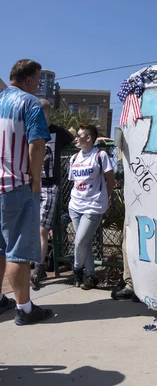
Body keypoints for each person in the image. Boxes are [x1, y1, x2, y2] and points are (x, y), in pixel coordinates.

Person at [0, 59, 53, 325]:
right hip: (17, 184)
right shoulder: (30, 103)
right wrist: (34, 180)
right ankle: (25, 309)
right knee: (18, 252)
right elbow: (37, 144)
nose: (39, 83)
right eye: (39, 78)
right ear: (30, 79)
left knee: (0, 249)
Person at [30, 99, 75, 290]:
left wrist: (96, 140)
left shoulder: (58, 132)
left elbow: (77, 142)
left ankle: (38, 268)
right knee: (31, 228)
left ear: (47, 113)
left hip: (49, 186)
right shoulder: (30, 131)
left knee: (41, 229)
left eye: (40, 112)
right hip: (31, 184)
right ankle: (35, 263)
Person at [68, 124, 115, 290]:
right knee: (85, 242)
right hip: (75, 205)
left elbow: (111, 180)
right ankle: (90, 275)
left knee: (80, 240)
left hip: (94, 206)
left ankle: (77, 269)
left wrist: (106, 199)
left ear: (89, 138)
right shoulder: (74, 158)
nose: (76, 138)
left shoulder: (100, 156)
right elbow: (74, 182)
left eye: (79, 135)